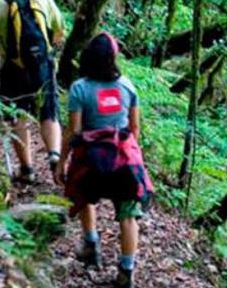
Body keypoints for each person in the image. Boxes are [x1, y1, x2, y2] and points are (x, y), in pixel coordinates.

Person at [54, 33, 153, 288]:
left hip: (91, 161)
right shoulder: (128, 86)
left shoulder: (80, 88)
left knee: (85, 197)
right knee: (128, 216)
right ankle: (126, 271)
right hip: (123, 161)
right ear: (113, 58)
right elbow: (134, 128)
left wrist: (62, 161)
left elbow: (74, 132)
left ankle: (91, 245)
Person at [0, 0, 64, 183]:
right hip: (43, 66)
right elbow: (59, 31)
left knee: (18, 117)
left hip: (12, 69)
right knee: (49, 112)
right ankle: (55, 156)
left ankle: (27, 169)